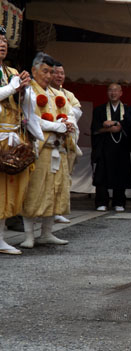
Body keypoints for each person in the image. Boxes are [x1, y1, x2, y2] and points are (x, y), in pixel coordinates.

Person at [21, 52, 75, 248]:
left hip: (57, 148)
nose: (49, 75)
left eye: (51, 72)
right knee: (34, 191)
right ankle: (29, 235)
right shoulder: (28, 92)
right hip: (39, 148)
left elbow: (70, 114)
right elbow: (29, 119)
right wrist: (55, 127)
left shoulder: (58, 94)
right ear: (34, 71)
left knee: (56, 191)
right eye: (45, 71)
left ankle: (47, 233)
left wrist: (67, 124)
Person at [0, 27, 44, 254]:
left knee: (8, 191)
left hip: (11, 137)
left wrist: (25, 90)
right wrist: (12, 87)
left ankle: (1, 237)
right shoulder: (10, 79)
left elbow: (27, 106)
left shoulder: (11, 71)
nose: (2, 43)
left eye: (4, 40)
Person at [91, 83, 131, 212]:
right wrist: (107, 127)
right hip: (104, 147)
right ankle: (101, 202)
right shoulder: (99, 109)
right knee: (102, 175)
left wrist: (117, 125)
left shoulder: (127, 110)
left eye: (116, 91)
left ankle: (119, 201)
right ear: (107, 93)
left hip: (121, 148)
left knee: (120, 173)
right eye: (110, 90)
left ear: (121, 93)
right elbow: (94, 129)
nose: (113, 93)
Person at [50, 60, 83, 223]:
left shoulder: (68, 95)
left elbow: (77, 112)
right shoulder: (44, 92)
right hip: (49, 139)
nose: (59, 76)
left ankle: (58, 210)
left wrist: (66, 116)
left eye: (62, 73)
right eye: (56, 72)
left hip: (65, 141)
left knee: (64, 177)